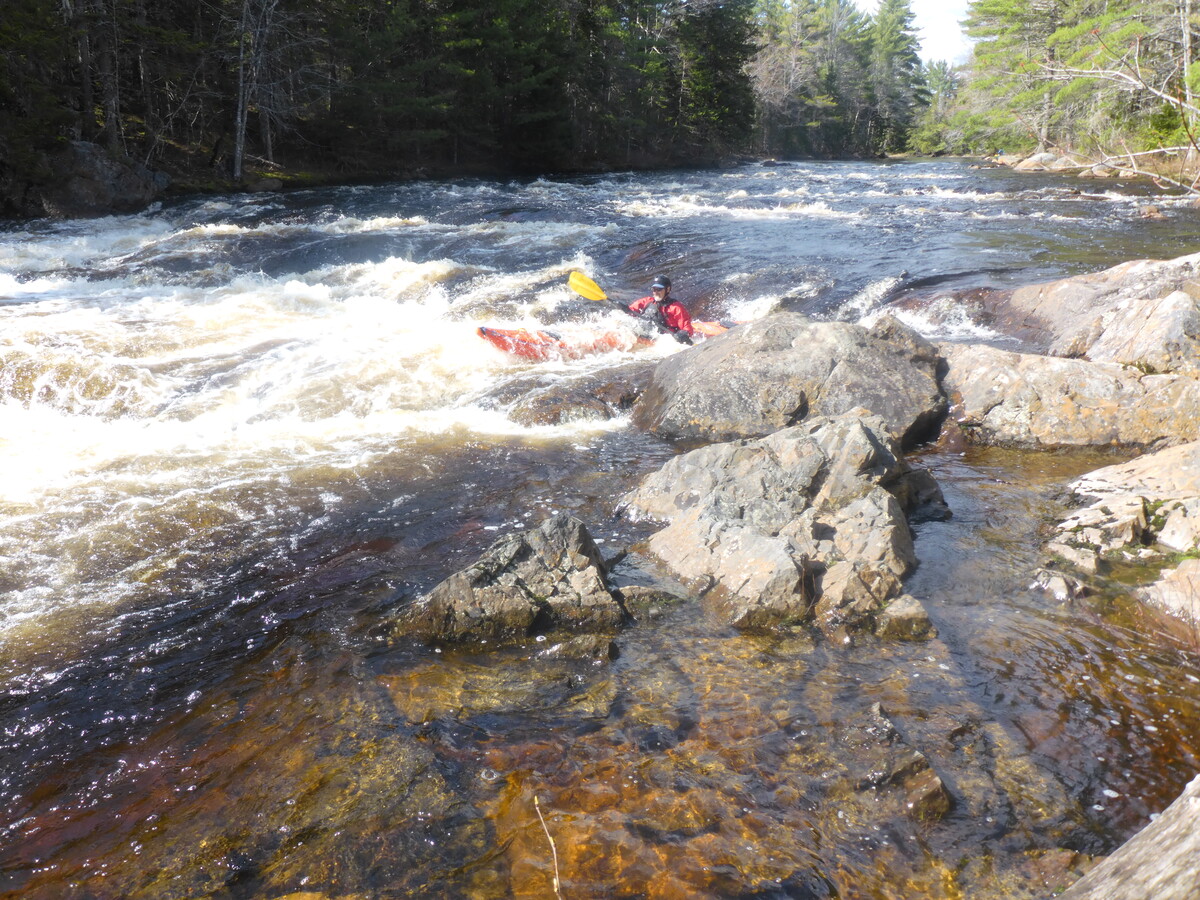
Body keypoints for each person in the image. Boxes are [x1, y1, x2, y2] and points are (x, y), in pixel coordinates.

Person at [624, 274, 695, 344]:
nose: (655, 292)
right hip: (644, 334)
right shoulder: (647, 301)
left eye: (659, 289)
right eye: (654, 289)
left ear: (667, 289)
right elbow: (629, 311)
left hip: (663, 340)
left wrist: (683, 334)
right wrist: (621, 307)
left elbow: (687, 328)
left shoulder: (676, 308)